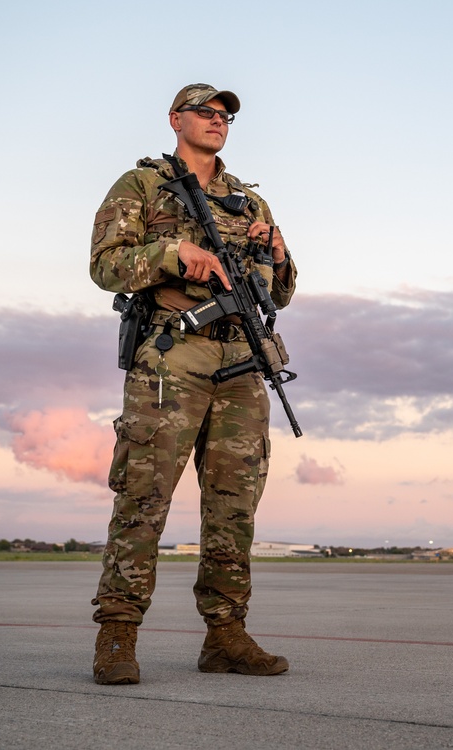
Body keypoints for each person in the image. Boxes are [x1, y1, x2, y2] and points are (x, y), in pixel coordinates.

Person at [88, 83, 297, 684]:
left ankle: (226, 636)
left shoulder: (250, 203)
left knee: (235, 507)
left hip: (241, 361)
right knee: (143, 500)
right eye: (205, 112)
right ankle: (117, 637)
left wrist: (279, 256)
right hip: (171, 356)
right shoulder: (143, 186)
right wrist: (172, 254)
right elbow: (104, 265)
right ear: (175, 119)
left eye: (225, 114)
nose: (217, 121)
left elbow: (280, 291)